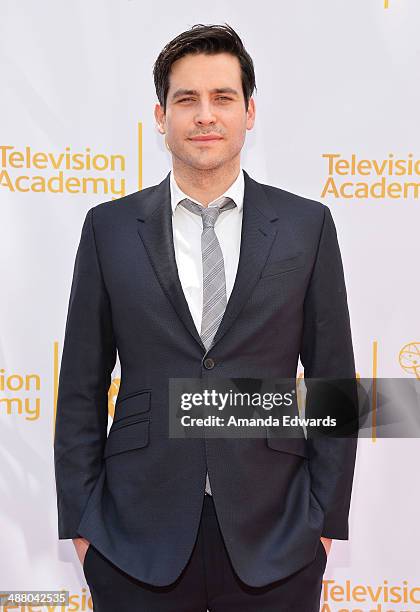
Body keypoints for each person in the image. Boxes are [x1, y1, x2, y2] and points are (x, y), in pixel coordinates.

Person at [54, 23, 358, 611]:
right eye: (186, 99)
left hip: (279, 536)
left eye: (222, 97)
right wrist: (83, 526)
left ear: (249, 111)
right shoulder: (109, 229)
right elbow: (79, 390)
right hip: (133, 537)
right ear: (160, 115)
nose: (204, 115)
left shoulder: (306, 226)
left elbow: (333, 386)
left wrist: (323, 521)